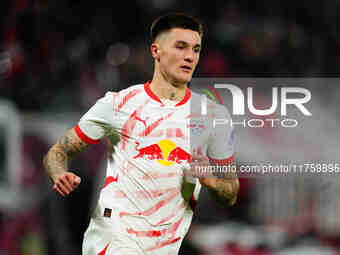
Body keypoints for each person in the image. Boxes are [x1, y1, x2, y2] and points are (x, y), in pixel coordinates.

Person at [43, 13, 239, 255]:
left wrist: (211, 181)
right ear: (156, 51)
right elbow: (59, 151)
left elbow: (230, 193)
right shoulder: (117, 104)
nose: (189, 56)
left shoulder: (213, 116)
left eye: (195, 49)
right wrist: (59, 174)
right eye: (180, 47)